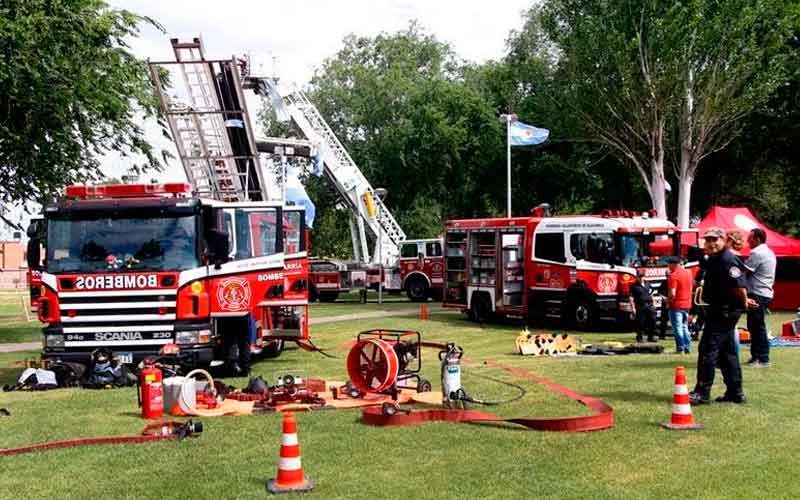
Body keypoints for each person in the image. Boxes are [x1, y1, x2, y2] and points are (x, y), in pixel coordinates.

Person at [689, 227, 748, 405]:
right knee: (727, 352)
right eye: (708, 240)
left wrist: (744, 302)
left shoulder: (727, 259)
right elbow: (702, 263)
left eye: (715, 240)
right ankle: (735, 392)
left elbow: (739, 286)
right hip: (720, 310)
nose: (711, 243)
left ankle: (702, 392)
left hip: (725, 311)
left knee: (708, 348)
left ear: (724, 240)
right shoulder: (715, 259)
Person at [744, 228, 776, 367]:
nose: (747, 241)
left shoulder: (757, 253)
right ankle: (756, 356)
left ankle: (763, 358)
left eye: (750, 238)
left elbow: (744, 272)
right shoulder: (768, 252)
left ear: (757, 239)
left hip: (758, 293)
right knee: (754, 326)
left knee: (757, 327)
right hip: (764, 293)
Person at [667, 256, 693, 353]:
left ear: (673, 264)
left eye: (669, 264)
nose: (668, 266)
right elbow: (690, 288)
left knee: (677, 327)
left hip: (676, 304)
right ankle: (688, 347)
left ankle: (680, 347)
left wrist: (668, 302)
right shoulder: (688, 273)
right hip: (687, 303)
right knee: (684, 326)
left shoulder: (673, 276)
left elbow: (672, 293)